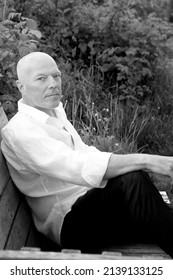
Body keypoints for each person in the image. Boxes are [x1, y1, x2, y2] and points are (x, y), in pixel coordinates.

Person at [1, 51, 173, 258]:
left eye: (56, 76)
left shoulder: (55, 112)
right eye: (41, 78)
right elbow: (75, 165)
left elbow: (84, 152)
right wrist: (148, 160)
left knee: (137, 185)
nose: (53, 84)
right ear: (21, 87)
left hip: (89, 207)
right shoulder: (21, 131)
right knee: (131, 181)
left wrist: (136, 164)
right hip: (69, 226)